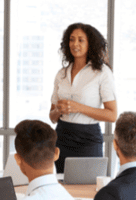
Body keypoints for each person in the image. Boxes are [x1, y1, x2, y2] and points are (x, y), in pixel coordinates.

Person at [49, 23, 118, 173]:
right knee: (63, 186)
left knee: (88, 187)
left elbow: (112, 115)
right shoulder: (61, 74)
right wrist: (58, 111)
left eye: (81, 40)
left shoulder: (102, 72)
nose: (75, 44)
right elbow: (52, 116)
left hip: (88, 139)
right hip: (62, 137)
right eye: (72, 39)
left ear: (90, 44)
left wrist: (77, 107)